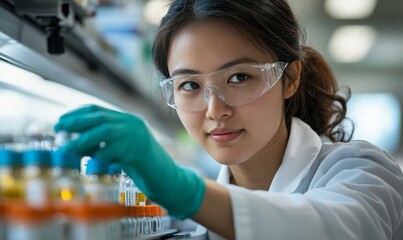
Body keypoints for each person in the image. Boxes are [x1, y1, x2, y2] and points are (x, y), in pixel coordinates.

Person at [54, 0, 403, 239]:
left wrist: (184, 191)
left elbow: (330, 228)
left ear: (290, 78)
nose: (214, 110)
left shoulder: (364, 172)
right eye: (190, 85)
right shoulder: (186, 220)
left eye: (239, 78)